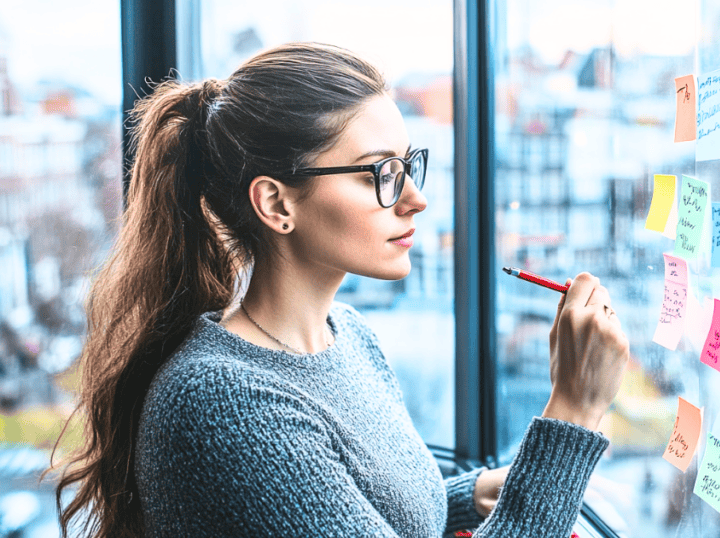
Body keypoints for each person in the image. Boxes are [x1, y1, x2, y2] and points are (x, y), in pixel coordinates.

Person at [48, 42, 630, 537]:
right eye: (378, 172)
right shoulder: (223, 406)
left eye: (408, 165)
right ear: (276, 203)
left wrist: (466, 492)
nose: (414, 198)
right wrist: (574, 410)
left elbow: (344, 507)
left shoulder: (346, 334)